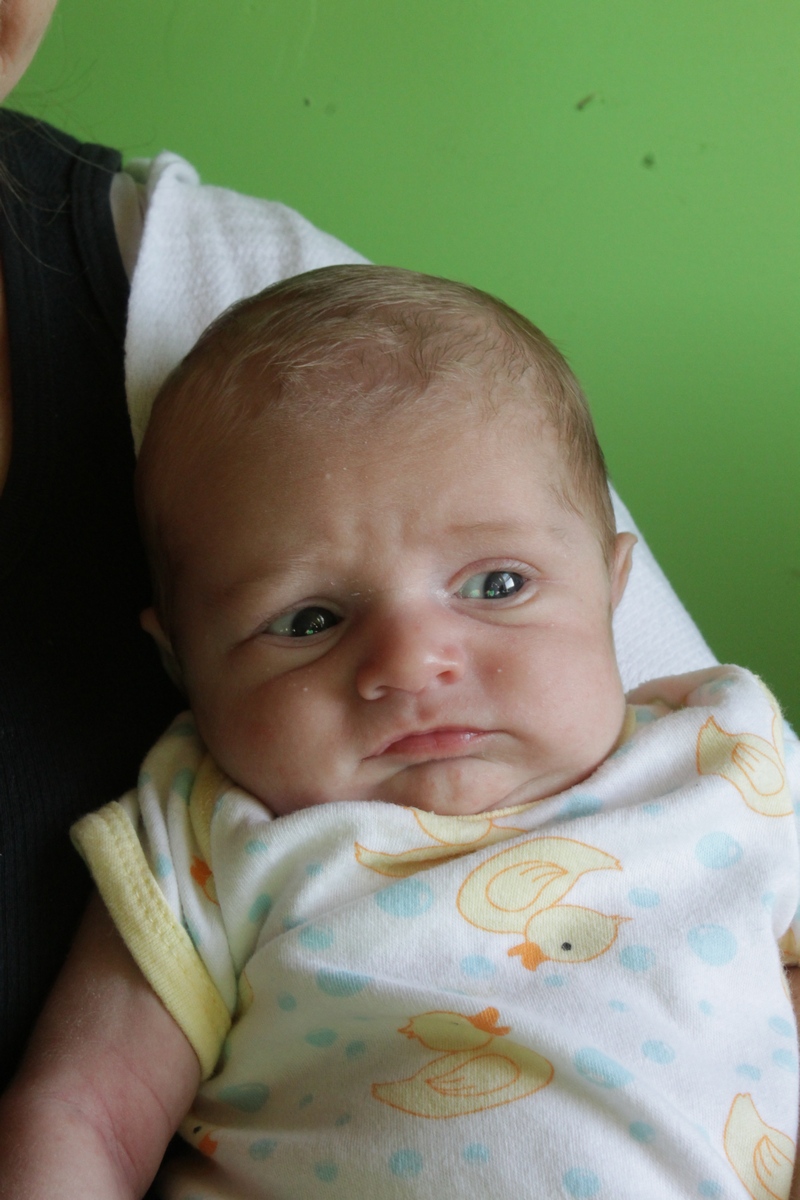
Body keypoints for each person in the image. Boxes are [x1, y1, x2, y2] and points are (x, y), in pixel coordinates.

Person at [2, 266, 798, 1199]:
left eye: (497, 585)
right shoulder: (209, 837)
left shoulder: (719, 756)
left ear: (614, 589)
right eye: (308, 620)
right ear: (182, 662)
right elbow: (86, 1114)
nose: (413, 663)